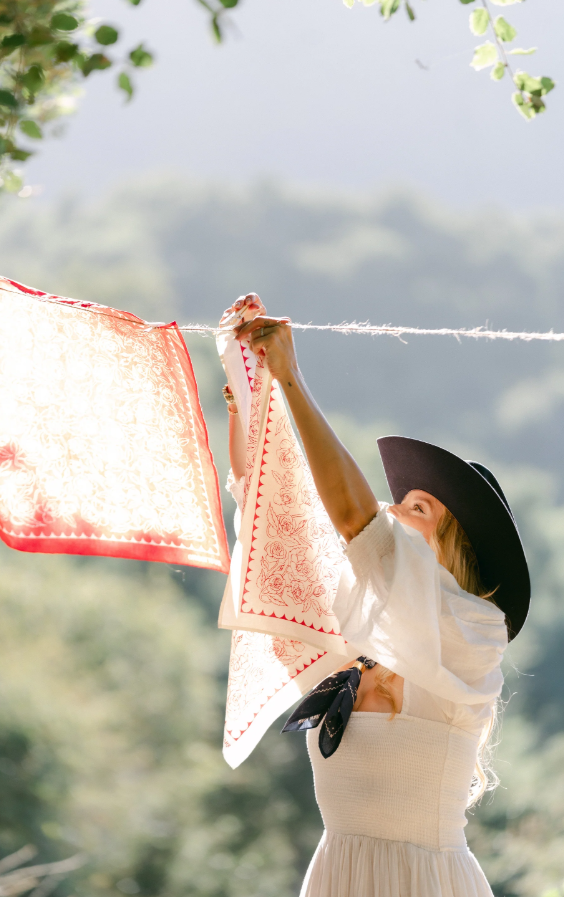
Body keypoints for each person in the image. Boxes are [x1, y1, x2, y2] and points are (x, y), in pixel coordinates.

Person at [223, 295, 530, 897]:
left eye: (418, 509)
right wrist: (250, 398)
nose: (393, 512)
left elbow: (353, 517)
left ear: (454, 547)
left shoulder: (471, 635)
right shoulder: (356, 632)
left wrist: (290, 376)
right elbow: (270, 525)